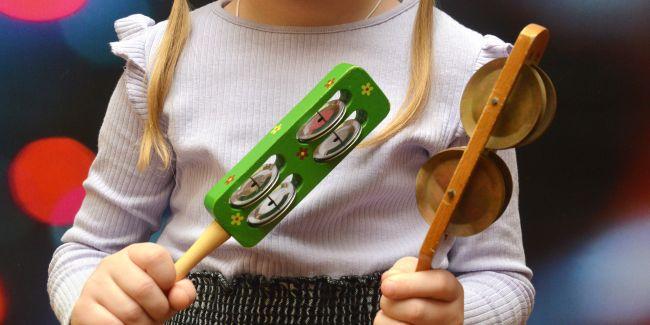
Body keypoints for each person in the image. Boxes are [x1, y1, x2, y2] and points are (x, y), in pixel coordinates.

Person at [47, 0, 535, 324]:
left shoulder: (467, 70)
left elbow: (504, 278)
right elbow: (86, 250)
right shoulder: (165, 57)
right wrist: (89, 301)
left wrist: (458, 314)